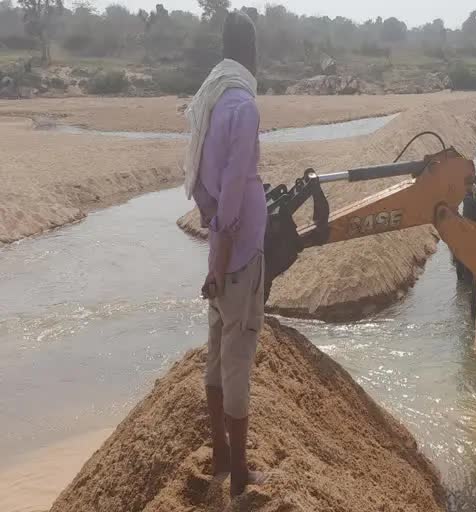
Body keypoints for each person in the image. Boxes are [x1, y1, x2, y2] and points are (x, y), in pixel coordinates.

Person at [183, 11, 268, 497]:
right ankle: (239, 475)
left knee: (216, 353)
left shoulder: (209, 101)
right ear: (251, 53)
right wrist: (223, 251)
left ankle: (218, 452)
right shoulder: (245, 106)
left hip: (220, 248)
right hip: (239, 255)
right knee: (238, 356)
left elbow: (202, 180)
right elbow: (236, 184)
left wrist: (213, 232)